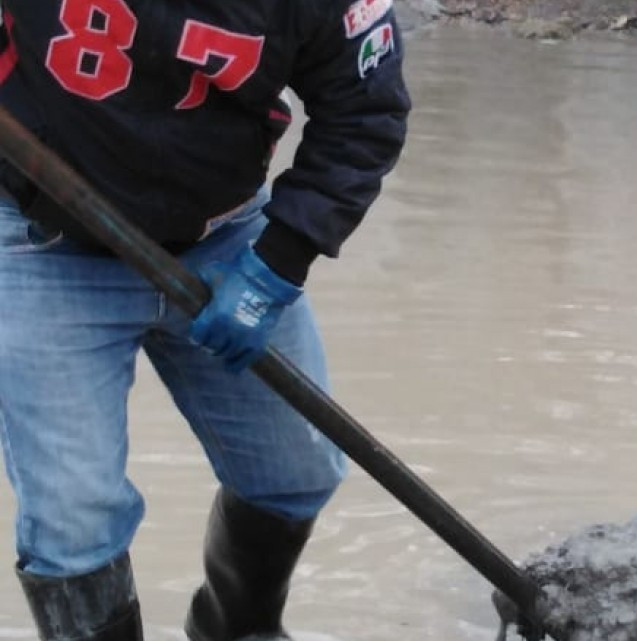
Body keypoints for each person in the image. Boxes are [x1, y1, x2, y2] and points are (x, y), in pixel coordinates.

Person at [0, 0, 410, 639]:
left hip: (230, 238)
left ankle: (237, 629)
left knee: (295, 475)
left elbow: (365, 112)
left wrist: (277, 263)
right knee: (73, 520)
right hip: (44, 240)